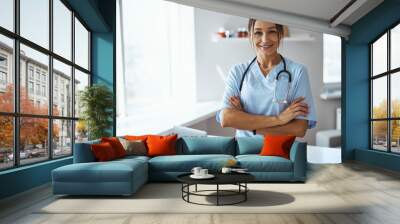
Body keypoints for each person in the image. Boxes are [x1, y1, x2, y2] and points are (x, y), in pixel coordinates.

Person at [216, 19, 317, 137]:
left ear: (280, 34)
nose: (265, 39)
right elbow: (226, 119)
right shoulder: (238, 72)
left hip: (280, 152)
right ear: (251, 36)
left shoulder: (298, 72)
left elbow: (299, 129)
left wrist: (248, 125)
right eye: (258, 33)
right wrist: (279, 119)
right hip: (244, 151)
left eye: (272, 32)